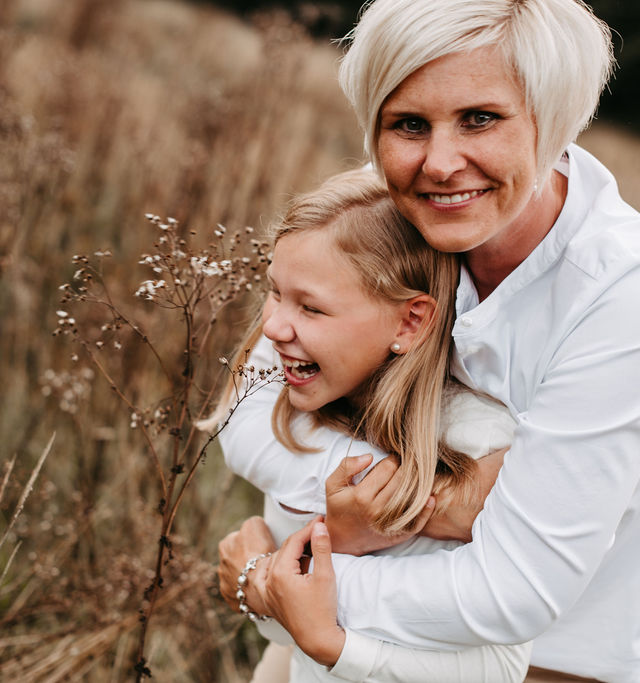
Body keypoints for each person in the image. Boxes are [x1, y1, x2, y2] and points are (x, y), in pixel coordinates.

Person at [219, 1, 640, 681]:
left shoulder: (623, 290)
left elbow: (512, 591)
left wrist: (282, 575)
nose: (441, 163)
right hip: (330, 633)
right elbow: (244, 405)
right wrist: (421, 497)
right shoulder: (382, 209)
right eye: (409, 124)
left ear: (550, 120)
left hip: (549, 665)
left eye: (481, 118)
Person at [211, 169, 531, 681]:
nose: (271, 327)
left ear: (409, 322)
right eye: (274, 292)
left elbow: (499, 666)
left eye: (312, 307)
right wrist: (290, 567)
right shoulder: (306, 394)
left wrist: (308, 615)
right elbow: (279, 630)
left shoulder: (472, 441)